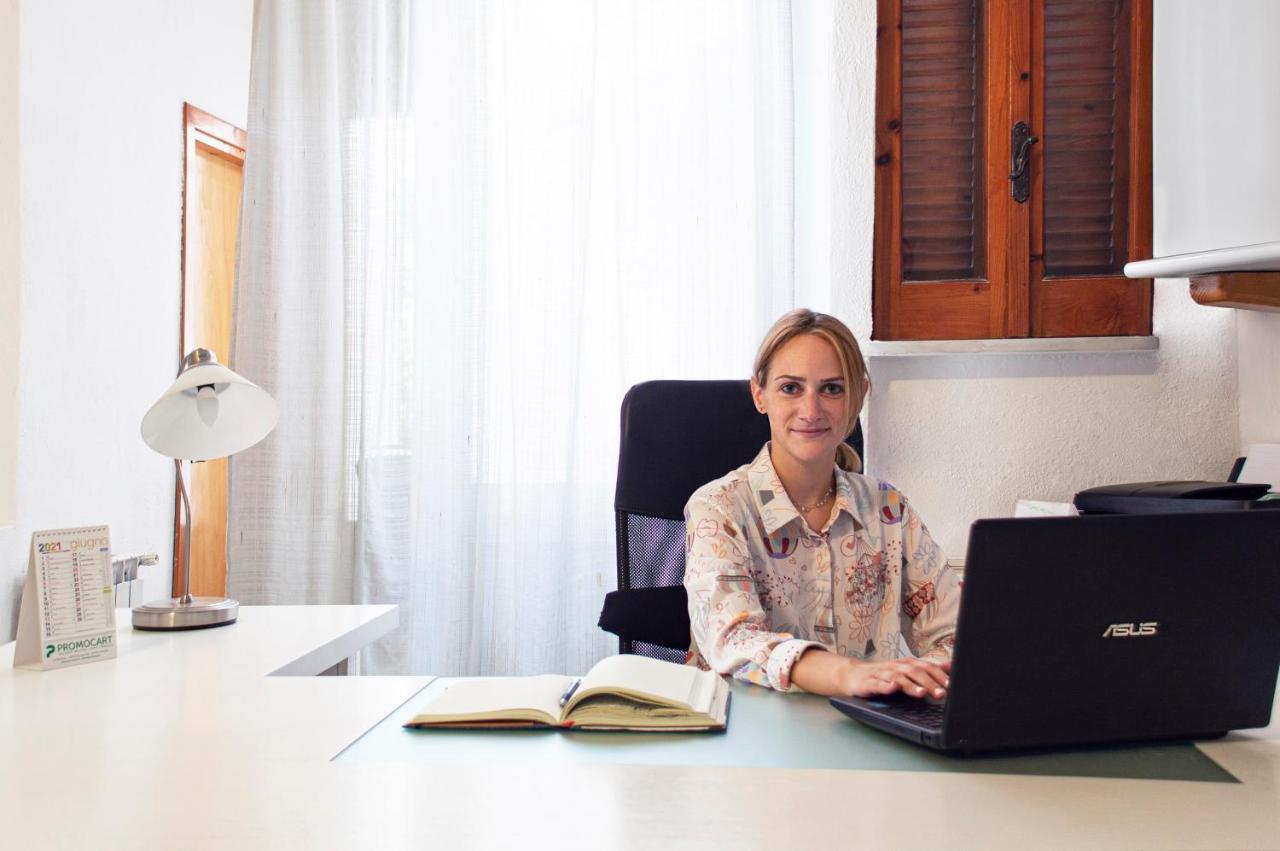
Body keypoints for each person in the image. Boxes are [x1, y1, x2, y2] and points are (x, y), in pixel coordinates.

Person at [683, 309, 960, 699]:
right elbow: (733, 639)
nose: (811, 411)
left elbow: (955, 633)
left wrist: (908, 678)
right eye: (791, 388)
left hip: (862, 729)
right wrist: (846, 674)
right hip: (744, 732)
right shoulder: (719, 508)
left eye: (832, 388)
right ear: (759, 395)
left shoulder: (888, 508)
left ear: (859, 396)